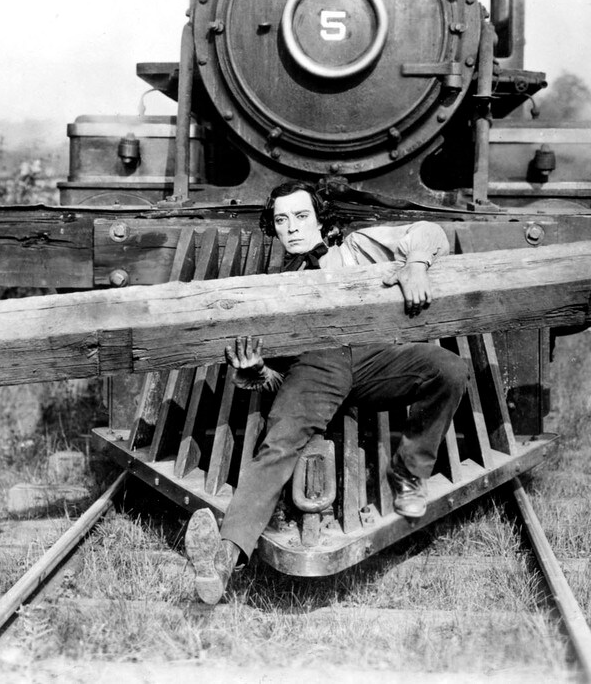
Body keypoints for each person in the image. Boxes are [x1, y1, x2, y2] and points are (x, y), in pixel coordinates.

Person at [184, 180, 469, 604]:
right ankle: (224, 560)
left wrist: (416, 265)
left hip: (374, 359)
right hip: (316, 370)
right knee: (280, 442)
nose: (292, 227)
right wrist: (256, 371)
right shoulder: (276, 288)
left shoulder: (356, 248)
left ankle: (409, 472)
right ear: (274, 229)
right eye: (282, 220)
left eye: (301, 216)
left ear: (321, 220)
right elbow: (276, 380)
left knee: (449, 369)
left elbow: (429, 232)